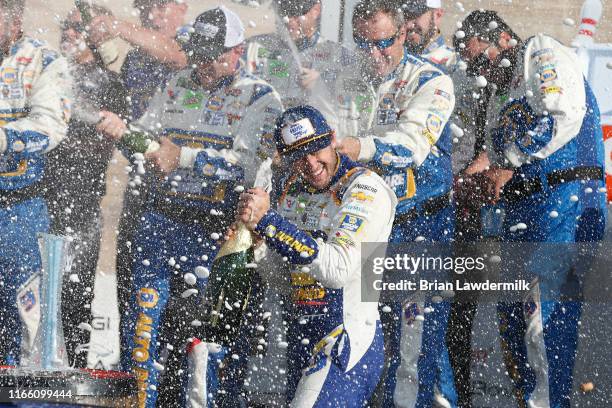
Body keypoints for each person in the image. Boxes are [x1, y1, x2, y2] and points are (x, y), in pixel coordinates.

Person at [96, 6, 282, 407]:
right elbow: (147, 143)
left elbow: (247, 165)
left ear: (237, 50)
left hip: (221, 232)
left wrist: (181, 156)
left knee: (212, 343)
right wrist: (120, 132)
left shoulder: (261, 97)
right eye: (197, 52)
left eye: (213, 54)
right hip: (162, 224)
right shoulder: (176, 83)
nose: (203, 64)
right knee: (142, 329)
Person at [455, 10, 606, 408]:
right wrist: (477, 177)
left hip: (563, 203)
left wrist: (507, 164)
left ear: (503, 39)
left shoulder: (538, 51)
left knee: (542, 324)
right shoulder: (501, 89)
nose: (479, 69)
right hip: (522, 211)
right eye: (472, 65)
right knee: (514, 324)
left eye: (481, 57)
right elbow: (496, 153)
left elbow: (562, 114)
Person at [310, 1, 457, 406]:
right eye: (362, 43)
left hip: (420, 230)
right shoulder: (340, 78)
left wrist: (358, 146)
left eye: (383, 43)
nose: (373, 54)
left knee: (412, 357)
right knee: (355, 343)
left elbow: (410, 147)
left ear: (404, 34)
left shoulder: (432, 81)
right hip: (365, 228)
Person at [236, 105, 396, 406]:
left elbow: (337, 271)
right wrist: (258, 241)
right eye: (299, 156)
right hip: (302, 341)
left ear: (332, 139)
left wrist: (270, 223)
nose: (310, 163)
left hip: (347, 342)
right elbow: (284, 281)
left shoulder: (364, 188)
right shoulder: (293, 193)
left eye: (315, 149)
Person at [87, 0, 190, 365]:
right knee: (135, 294)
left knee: (183, 309)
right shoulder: (135, 59)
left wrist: (119, 27)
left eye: (162, 6)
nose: (154, 14)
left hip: (190, 194)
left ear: (182, 6)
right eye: (146, 7)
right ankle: (134, 377)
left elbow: (177, 55)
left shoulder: (196, 43)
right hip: (142, 187)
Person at [399, 1, 492, 405]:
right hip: (399, 213)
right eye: (403, 11)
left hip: (450, 212)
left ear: (437, 15)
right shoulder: (390, 65)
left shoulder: (458, 66)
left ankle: (450, 399)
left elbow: (477, 138)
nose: (410, 21)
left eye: (418, 11)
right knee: (398, 327)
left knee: (446, 325)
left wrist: (461, 184)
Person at [40, 5, 128, 369]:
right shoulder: (48, 72)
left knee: (76, 293)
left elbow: (106, 142)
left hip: (82, 203)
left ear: (98, 37)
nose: (70, 34)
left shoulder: (110, 84)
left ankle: (75, 370)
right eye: (67, 27)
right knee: (35, 294)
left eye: (80, 28)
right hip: (39, 199)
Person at [0, 0, 72, 365]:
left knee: (24, 318)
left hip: (18, 210)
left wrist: (4, 138)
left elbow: (51, 129)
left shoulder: (43, 61)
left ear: (14, 16)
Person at [246, 0, 353, 109]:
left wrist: (323, 83)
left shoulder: (338, 55)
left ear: (316, 10)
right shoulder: (255, 46)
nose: (288, 20)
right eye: (284, 11)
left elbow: (355, 101)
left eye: (295, 12)